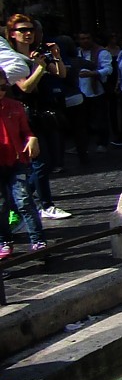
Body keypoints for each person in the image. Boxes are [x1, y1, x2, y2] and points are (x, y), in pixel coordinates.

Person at [4, 16, 70, 219]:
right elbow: (26, 87)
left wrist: (56, 56)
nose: (28, 33)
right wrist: (39, 68)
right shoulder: (13, 60)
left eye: (31, 29)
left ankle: (18, 199)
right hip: (26, 115)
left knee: (52, 161)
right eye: (22, 30)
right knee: (40, 163)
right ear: (12, 34)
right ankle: (45, 205)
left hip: (45, 112)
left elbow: (61, 74)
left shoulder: (36, 54)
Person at [0, 67, 46, 258]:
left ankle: (38, 241)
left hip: (17, 160)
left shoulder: (14, 106)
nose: (0, 92)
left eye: (3, 87)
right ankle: (4, 241)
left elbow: (26, 131)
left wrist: (32, 138)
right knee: (1, 205)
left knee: (24, 200)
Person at [75, 30, 113, 152]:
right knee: (81, 121)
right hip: (80, 91)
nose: (85, 41)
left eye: (87, 38)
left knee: (100, 119)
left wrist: (94, 73)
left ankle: (102, 143)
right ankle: (82, 145)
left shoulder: (101, 52)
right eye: (82, 38)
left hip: (97, 90)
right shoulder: (77, 52)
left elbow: (108, 69)